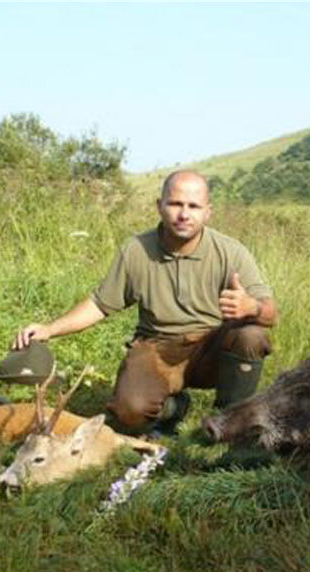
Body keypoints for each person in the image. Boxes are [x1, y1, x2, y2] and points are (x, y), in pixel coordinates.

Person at [14, 170, 277, 432]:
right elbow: (99, 304)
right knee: (130, 414)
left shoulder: (231, 252)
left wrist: (252, 307)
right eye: (175, 204)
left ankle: (229, 421)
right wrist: (49, 329)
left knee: (251, 335)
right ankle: (174, 407)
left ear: (208, 212)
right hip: (157, 349)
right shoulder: (136, 250)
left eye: (193, 206)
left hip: (211, 347)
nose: (184, 214)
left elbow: (270, 314)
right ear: (159, 206)